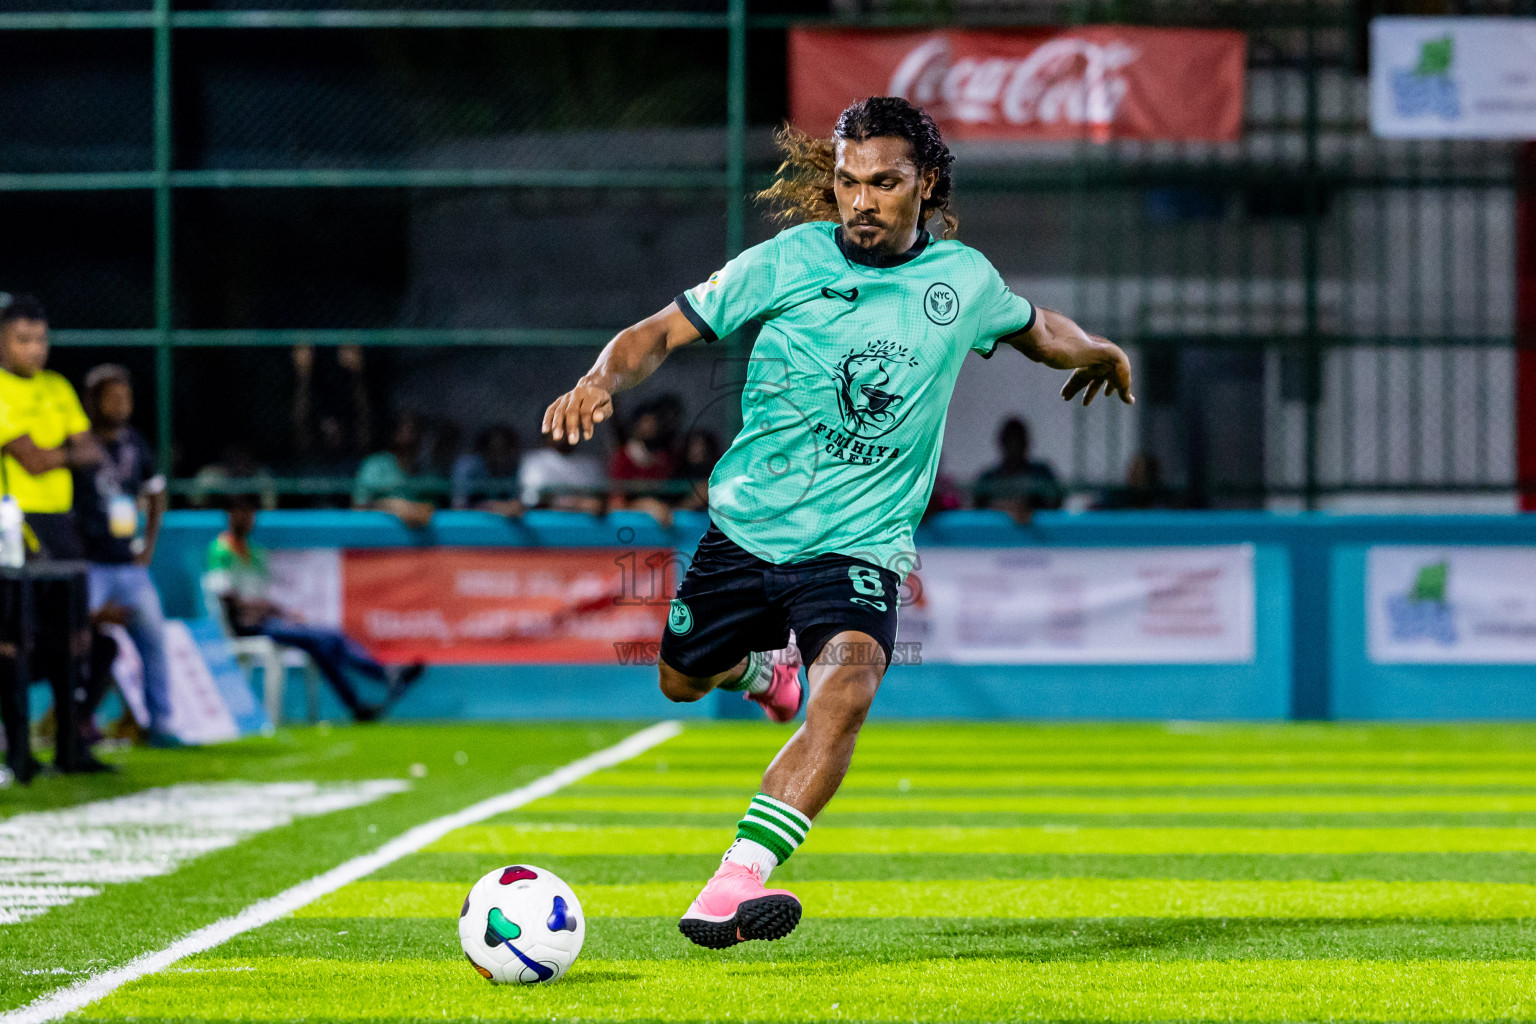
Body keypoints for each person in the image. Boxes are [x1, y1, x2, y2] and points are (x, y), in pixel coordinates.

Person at [540, 97, 1133, 948]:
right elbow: (660, 330)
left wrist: (1103, 351)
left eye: (884, 183)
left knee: (847, 691)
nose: (861, 200)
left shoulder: (961, 281)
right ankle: (760, 678)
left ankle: (733, 883)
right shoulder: (788, 261)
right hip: (746, 532)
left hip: (860, 547)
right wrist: (601, 378)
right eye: (849, 182)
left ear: (924, 185)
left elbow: (1041, 331)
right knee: (678, 679)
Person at [0, 294, 109, 777]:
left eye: (41, 339)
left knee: (75, 637)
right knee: (14, 641)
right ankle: (21, 753)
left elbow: (93, 452)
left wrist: (59, 451)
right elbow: (33, 459)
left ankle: (71, 748)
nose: (35, 349)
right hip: (15, 527)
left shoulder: (59, 386)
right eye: (23, 339)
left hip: (61, 526)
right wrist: (65, 449)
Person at [205, 494, 424, 721]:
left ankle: (359, 703)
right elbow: (228, 599)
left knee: (329, 641)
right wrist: (266, 612)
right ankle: (384, 678)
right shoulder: (220, 550)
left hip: (267, 621)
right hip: (245, 626)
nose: (247, 519)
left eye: (250, 514)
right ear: (230, 516)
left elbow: (263, 598)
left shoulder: (256, 552)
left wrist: (287, 615)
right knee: (326, 640)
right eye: (241, 513)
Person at [72, 364, 177, 747]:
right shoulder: (79, 444)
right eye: (111, 397)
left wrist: (147, 549)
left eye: (125, 397)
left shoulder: (136, 444)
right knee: (77, 641)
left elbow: (155, 494)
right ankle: (80, 722)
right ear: (93, 401)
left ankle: (162, 723)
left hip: (128, 566)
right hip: (90, 565)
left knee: (154, 640)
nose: (120, 404)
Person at [353, 411, 435, 529]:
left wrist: (416, 510)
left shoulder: (426, 471)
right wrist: (393, 506)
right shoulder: (375, 465)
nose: (411, 435)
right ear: (394, 433)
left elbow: (431, 507)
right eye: (405, 428)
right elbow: (359, 506)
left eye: (415, 429)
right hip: (377, 538)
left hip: (419, 543)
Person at [974, 417, 1063, 524]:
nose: (1014, 446)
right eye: (1010, 441)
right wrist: (1005, 507)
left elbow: (1055, 502)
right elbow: (977, 507)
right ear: (1002, 443)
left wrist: (1028, 506)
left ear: (1026, 443)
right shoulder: (989, 477)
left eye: (1018, 441)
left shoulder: (1041, 473)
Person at [609, 403, 676, 525]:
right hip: (628, 523)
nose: (650, 427)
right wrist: (649, 505)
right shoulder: (623, 457)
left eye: (653, 423)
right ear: (636, 426)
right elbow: (617, 503)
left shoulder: (664, 459)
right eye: (646, 423)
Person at [518, 434, 605, 514]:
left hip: (584, 525)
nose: (563, 433)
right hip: (547, 524)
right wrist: (574, 503)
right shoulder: (534, 461)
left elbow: (599, 502)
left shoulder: (591, 464)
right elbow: (531, 501)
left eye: (567, 426)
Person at [451, 423, 523, 517]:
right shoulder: (467, 468)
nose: (499, 456)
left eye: (504, 450)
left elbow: (519, 504)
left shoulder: (518, 468)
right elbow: (458, 507)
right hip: (471, 525)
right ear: (483, 450)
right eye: (494, 449)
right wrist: (494, 507)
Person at [1093, 450, 1180, 510]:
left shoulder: (1165, 499)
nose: (1134, 473)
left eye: (1141, 470)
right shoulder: (1117, 498)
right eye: (1133, 469)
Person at [675, 428, 722, 511]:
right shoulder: (679, 472)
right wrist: (691, 502)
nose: (696, 450)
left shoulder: (717, 472)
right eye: (693, 445)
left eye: (700, 445)